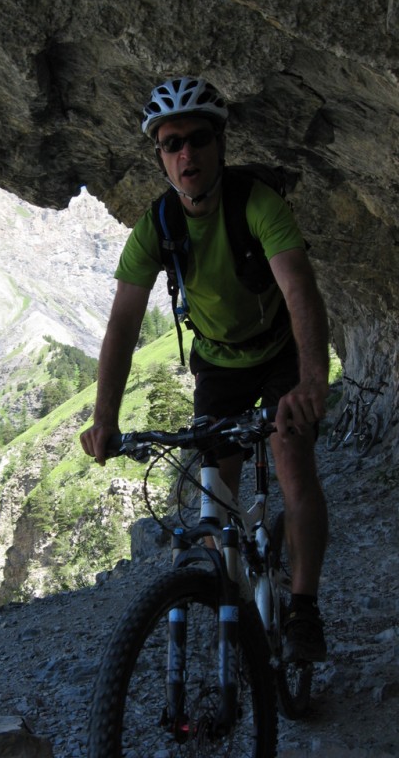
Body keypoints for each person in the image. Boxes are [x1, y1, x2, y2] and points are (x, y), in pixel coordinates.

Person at [80, 76, 329, 663]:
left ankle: (305, 608)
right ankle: (226, 604)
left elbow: (299, 289)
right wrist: (103, 419)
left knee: (292, 465)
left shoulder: (257, 205)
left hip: (279, 356)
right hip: (217, 366)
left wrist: (313, 381)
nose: (185, 153)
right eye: (171, 144)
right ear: (161, 156)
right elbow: (121, 326)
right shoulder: (158, 226)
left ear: (219, 144)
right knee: (212, 504)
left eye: (196, 139)